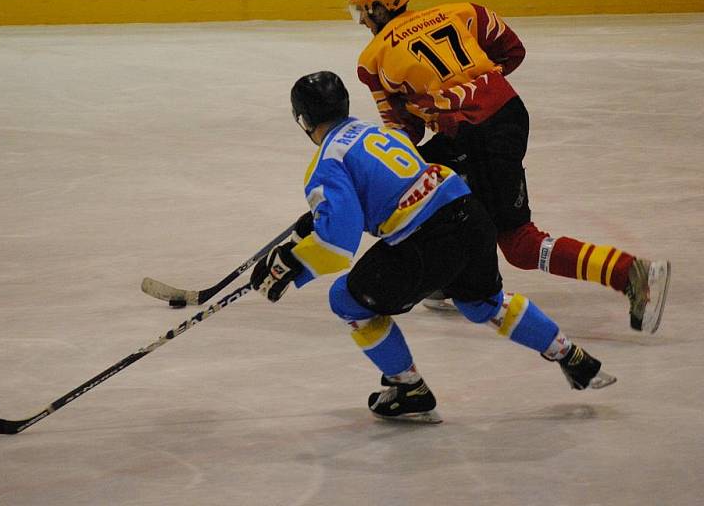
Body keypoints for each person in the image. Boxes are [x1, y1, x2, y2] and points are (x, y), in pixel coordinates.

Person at [250, 71, 616, 423]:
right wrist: (319, 222)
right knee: (481, 304)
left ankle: (408, 389)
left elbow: (337, 245)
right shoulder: (378, 133)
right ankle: (573, 357)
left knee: (345, 299)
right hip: (470, 215)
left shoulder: (326, 163)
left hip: (427, 240)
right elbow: (378, 194)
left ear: (302, 120)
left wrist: (290, 266)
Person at [346, 0, 670, 332]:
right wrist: (476, 88)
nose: (360, 20)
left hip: (476, 133)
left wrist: (385, 154)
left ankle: (630, 273)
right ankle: (453, 278)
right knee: (436, 187)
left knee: (518, 243)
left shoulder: (372, 59)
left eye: (362, 10)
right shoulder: (464, 11)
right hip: (506, 113)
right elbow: (512, 51)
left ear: (379, 7)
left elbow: (404, 130)